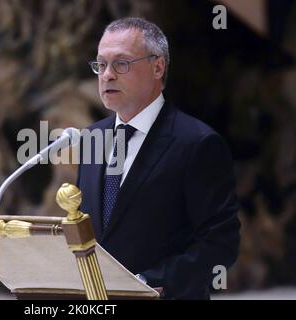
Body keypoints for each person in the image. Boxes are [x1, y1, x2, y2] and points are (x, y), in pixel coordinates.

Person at [76, 17, 241, 299]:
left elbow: (221, 242)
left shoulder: (198, 143)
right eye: (101, 65)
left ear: (158, 66)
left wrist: (152, 281)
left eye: (122, 63)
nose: (107, 75)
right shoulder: (92, 137)